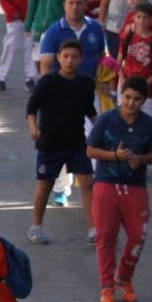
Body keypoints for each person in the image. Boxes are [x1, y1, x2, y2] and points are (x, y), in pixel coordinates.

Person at [86, 77, 152, 302]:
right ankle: (107, 285)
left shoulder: (149, 124)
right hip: (106, 184)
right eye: (127, 97)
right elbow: (90, 150)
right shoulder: (107, 120)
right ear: (121, 96)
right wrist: (114, 156)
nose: (131, 103)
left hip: (135, 186)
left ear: (144, 100)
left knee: (138, 235)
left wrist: (141, 159)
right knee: (106, 236)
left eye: (137, 99)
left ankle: (124, 278)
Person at [26, 39, 97, 245]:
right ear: (58, 57)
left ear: (81, 59)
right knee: (45, 185)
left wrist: (103, 128)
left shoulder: (85, 82)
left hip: (76, 143)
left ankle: (93, 229)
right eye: (65, 56)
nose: (69, 60)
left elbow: (90, 111)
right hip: (50, 143)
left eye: (74, 57)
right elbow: (31, 108)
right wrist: (33, 127)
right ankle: (36, 227)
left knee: (87, 183)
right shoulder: (47, 82)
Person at [117, 3, 152, 118]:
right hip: (126, 83)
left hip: (146, 89)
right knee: (124, 116)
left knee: (148, 119)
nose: (142, 20)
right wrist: (121, 78)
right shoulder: (128, 36)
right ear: (133, 17)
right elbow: (119, 59)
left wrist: (146, 83)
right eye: (139, 17)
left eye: (145, 17)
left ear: (151, 19)